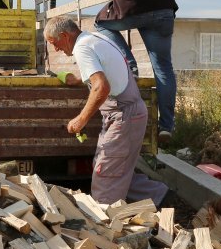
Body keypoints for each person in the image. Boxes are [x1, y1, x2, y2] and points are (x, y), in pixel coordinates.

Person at [45, 16, 168, 206]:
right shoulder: (95, 38)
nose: (56, 49)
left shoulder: (82, 48)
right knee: (118, 169)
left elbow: (101, 87)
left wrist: (80, 119)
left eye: (55, 43)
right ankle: (163, 199)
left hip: (123, 116)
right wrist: (77, 79)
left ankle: (106, 227)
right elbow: (105, 70)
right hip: (131, 114)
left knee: (106, 176)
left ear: (64, 35)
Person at [90, 0, 178, 144]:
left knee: (100, 23)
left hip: (130, 9)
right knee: (163, 68)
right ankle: (167, 126)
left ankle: (129, 63)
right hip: (162, 8)